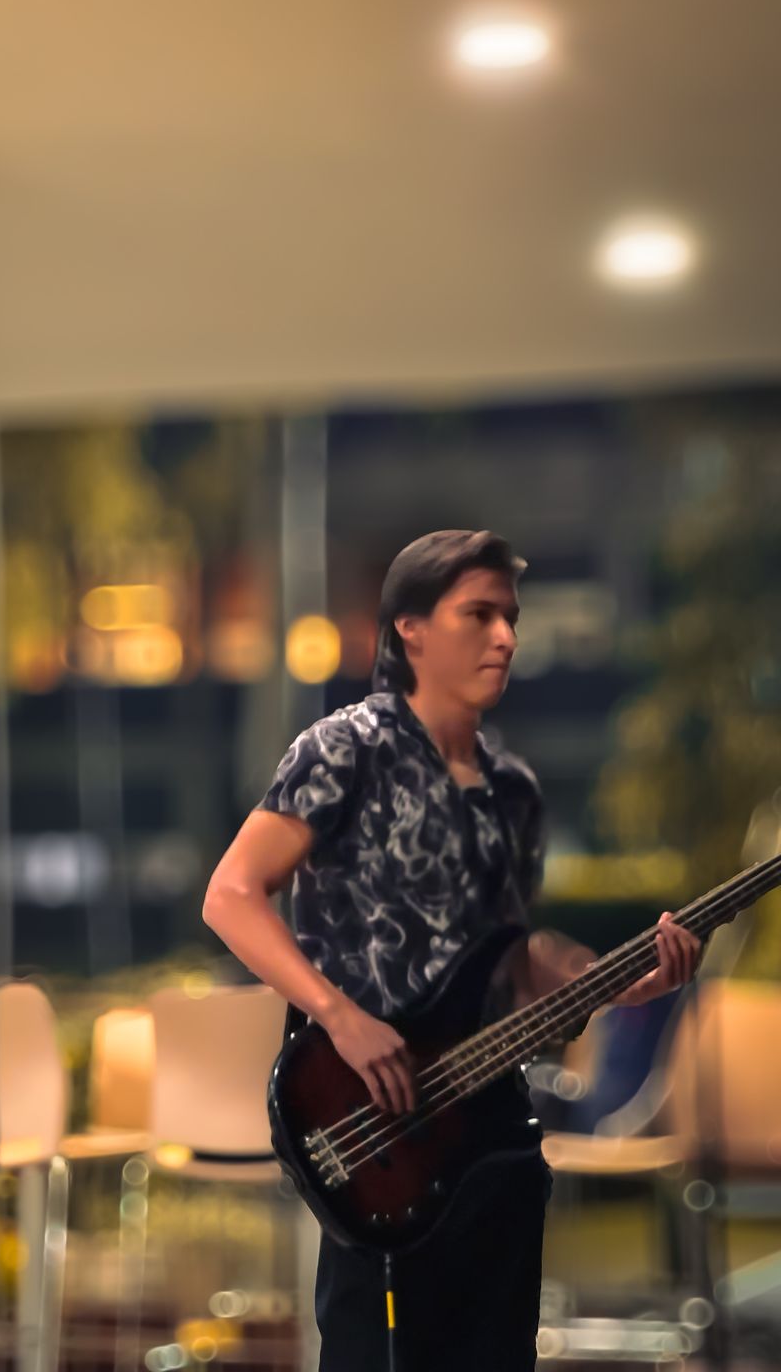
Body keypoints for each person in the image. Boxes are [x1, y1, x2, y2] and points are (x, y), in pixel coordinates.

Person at [202, 529, 701, 1370]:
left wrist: (620, 985)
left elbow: (508, 959)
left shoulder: (514, 791)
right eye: (478, 614)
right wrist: (341, 1018)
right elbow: (230, 896)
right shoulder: (343, 751)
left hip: (496, 1129)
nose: (504, 637)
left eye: (511, 618)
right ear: (411, 628)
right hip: (376, 1117)